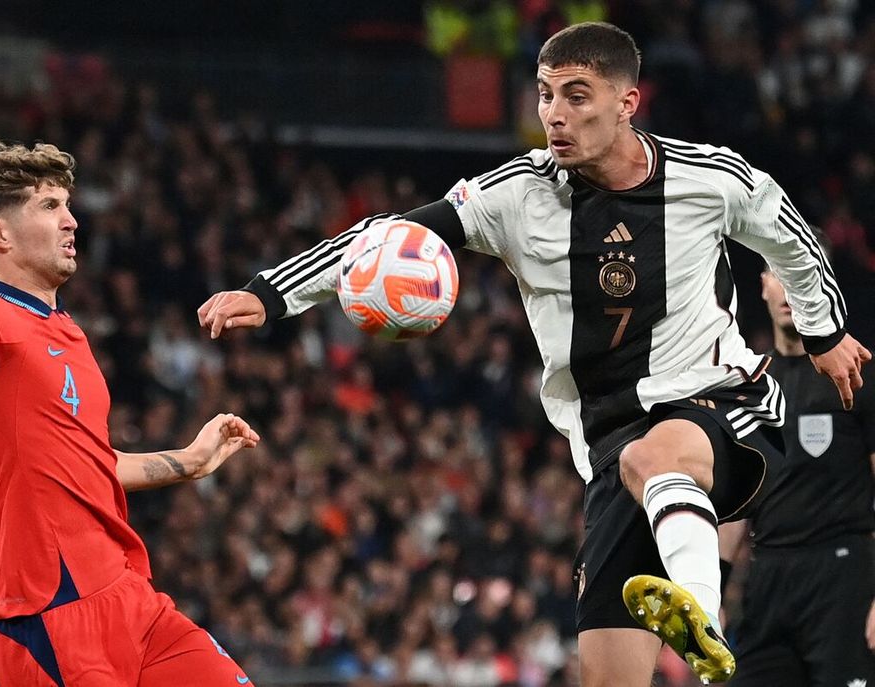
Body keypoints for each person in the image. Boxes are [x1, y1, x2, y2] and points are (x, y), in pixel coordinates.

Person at [198, 21, 870, 686]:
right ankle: (692, 616)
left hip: (728, 401)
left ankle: (703, 616)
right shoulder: (516, 195)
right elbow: (390, 234)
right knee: (608, 674)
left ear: (627, 102)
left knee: (655, 454)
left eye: (577, 95)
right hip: (609, 447)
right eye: (545, 94)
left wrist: (824, 332)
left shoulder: (708, 177)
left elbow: (790, 236)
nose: (554, 114)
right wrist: (274, 293)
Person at [0, 141, 260, 687]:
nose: (72, 220)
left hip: (131, 600)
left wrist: (188, 461)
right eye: (50, 206)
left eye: (67, 205)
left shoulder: (66, 331)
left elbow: (88, 463)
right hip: (48, 614)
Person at [717, 255, 875, 685]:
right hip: (768, 576)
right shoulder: (747, 383)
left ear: (821, 286)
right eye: (778, 275)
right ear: (763, 286)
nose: (787, 289)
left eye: (799, 276)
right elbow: (737, 502)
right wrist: (715, 585)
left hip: (844, 575)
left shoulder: (857, 369)